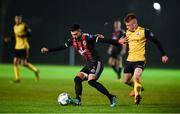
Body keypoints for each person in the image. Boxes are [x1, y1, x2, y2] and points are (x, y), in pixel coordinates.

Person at [41, 24, 127, 107]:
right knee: (77, 79)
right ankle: (78, 100)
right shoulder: (72, 40)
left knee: (91, 81)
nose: (74, 36)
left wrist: (118, 42)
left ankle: (111, 97)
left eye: (75, 34)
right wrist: (49, 50)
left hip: (96, 63)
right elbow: (62, 47)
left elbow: (103, 40)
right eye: (72, 34)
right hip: (88, 64)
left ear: (80, 31)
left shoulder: (87, 37)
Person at [122, 13, 168, 105]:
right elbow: (121, 41)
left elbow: (157, 42)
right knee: (126, 81)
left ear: (134, 23)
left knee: (136, 78)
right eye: (126, 25)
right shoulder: (126, 33)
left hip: (140, 60)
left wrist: (163, 54)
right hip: (129, 60)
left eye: (128, 25)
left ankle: (137, 96)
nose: (127, 27)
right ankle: (139, 87)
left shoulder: (144, 31)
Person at [4, 15, 39, 83]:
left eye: (19, 19)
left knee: (24, 63)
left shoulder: (24, 26)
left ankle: (35, 70)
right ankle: (17, 79)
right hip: (17, 47)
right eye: (16, 19)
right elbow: (16, 36)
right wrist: (9, 39)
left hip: (24, 46)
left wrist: (22, 36)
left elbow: (29, 34)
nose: (17, 20)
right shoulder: (14, 27)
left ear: (21, 19)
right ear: (15, 19)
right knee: (15, 62)